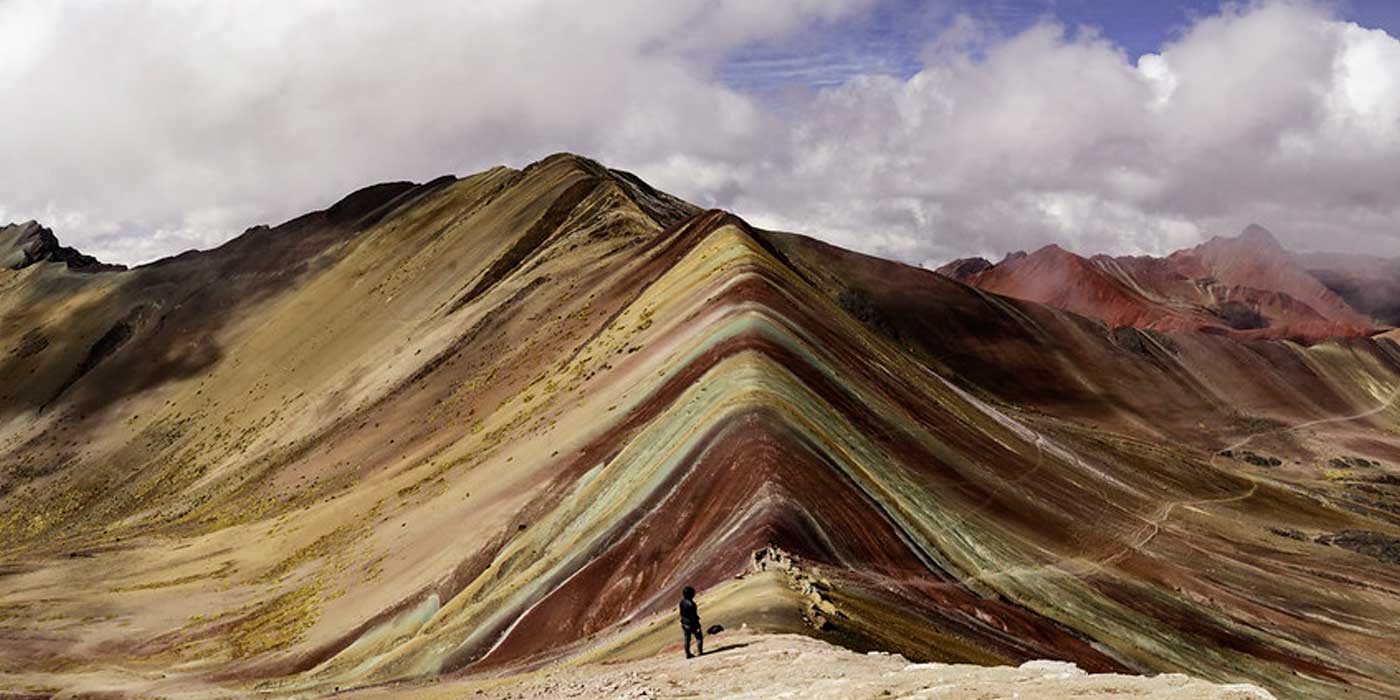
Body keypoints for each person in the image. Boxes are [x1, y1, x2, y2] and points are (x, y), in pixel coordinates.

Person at [679, 586, 703, 658]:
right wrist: (697, 624)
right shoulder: (691, 604)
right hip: (692, 623)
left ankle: (688, 654)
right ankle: (700, 652)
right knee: (699, 637)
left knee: (687, 639)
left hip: (684, 623)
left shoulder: (682, 602)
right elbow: (693, 615)